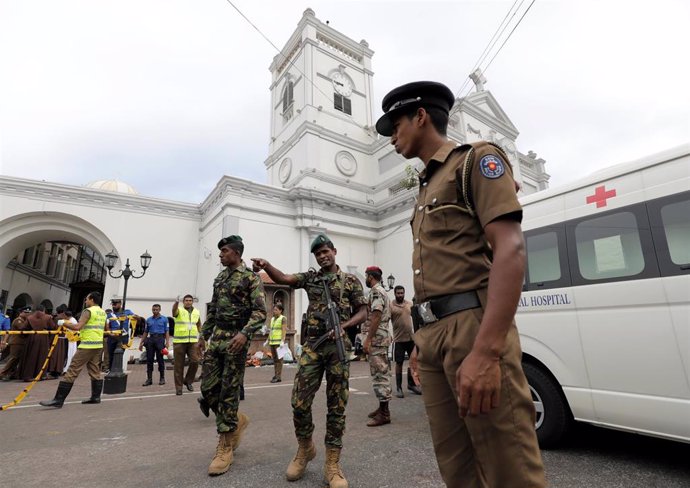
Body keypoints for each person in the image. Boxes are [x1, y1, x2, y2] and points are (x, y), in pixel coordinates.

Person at [375, 81, 546, 488]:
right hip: (433, 335)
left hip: (473, 327)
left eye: (396, 124)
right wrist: (421, 341)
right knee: (456, 465)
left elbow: (511, 249)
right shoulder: (425, 185)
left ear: (420, 116)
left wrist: (487, 353)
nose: (392, 136)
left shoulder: (476, 160)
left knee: (509, 467)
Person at [252, 233, 368, 488]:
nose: (323, 256)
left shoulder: (350, 282)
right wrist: (266, 265)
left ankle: (332, 463)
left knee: (336, 406)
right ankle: (305, 448)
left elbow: (363, 310)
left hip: (337, 348)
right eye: (318, 254)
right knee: (299, 402)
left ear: (334, 251)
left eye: (326, 251)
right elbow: (283, 279)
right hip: (313, 348)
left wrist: (344, 326)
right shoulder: (311, 278)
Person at [198, 235, 267, 476]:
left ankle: (225, 445)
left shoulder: (251, 279)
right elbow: (214, 310)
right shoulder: (220, 278)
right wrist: (202, 336)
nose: (220, 255)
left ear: (236, 253)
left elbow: (260, 313)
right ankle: (236, 420)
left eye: (224, 251)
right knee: (207, 390)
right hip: (217, 339)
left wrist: (245, 334)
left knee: (228, 392)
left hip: (236, 342)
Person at [40, 292, 107, 408]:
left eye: (86, 299)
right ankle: (96, 397)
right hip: (97, 345)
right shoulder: (102, 312)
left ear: (91, 299)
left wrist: (63, 323)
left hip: (87, 345)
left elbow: (77, 327)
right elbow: (105, 328)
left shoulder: (88, 311)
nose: (85, 301)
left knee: (72, 370)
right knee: (95, 371)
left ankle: (58, 400)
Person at [363, 266, 393, 427]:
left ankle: (385, 413)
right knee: (382, 371)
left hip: (377, 338)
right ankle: (382, 408)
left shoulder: (376, 291)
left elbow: (376, 315)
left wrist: (368, 339)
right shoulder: (382, 291)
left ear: (370, 277)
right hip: (381, 336)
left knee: (379, 374)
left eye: (366, 276)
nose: (366, 279)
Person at [389, 286, 421, 397]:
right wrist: (388, 334)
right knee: (399, 363)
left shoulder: (409, 304)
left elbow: (416, 317)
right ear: (394, 294)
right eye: (398, 293)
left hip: (411, 338)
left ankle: (411, 385)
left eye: (402, 293)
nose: (400, 295)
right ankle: (398, 388)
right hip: (399, 340)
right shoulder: (391, 306)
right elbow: (385, 320)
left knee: (413, 362)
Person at [171, 294, 201, 395]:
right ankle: (179, 388)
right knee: (179, 366)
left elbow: (198, 324)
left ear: (192, 302)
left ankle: (188, 381)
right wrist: (176, 302)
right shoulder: (179, 310)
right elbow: (173, 312)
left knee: (195, 361)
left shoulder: (196, 312)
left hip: (192, 342)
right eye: (186, 300)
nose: (188, 302)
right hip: (179, 342)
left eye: (190, 300)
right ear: (183, 302)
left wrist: (201, 337)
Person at [18, 305, 55, 381]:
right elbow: (53, 327)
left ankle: (27, 376)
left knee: (30, 356)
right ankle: (41, 375)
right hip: (43, 338)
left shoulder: (30, 317)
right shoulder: (47, 317)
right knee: (42, 356)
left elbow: (23, 329)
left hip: (32, 337)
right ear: (43, 310)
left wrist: (27, 335)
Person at [139, 304, 170, 386]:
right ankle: (149, 379)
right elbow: (145, 332)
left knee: (160, 359)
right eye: (153, 310)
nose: (155, 311)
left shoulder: (164, 319)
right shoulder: (148, 320)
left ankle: (162, 378)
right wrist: (141, 343)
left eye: (156, 309)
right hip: (151, 340)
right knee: (149, 360)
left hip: (160, 340)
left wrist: (167, 342)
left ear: (160, 310)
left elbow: (167, 331)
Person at [105, 299, 137, 372]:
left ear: (120, 304)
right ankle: (111, 371)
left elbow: (137, 318)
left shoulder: (127, 312)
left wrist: (132, 317)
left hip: (123, 337)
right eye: (113, 304)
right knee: (111, 355)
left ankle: (118, 370)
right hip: (112, 337)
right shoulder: (109, 315)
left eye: (115, 304)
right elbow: (107, 326)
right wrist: (110, 333)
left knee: (120, 355)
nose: (114, 305)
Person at [0, 306, 32, 380]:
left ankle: (11, 374)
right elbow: (23, 329)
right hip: (16, 342)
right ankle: (2, 373)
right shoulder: (18, 320)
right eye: (25, 313)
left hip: (20, 342)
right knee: (13, 358)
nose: (27, 314)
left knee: (16, 359)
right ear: (20, 313)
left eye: (28, 313)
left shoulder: (24, 320)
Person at [268, 303, 287, 383]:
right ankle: (276, 375)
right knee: (275, 360)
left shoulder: (283, 318)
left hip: (279, 343)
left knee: (279, 360)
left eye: (276, 310)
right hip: (272, 342)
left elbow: (284, 330)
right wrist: (267, 339)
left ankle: (278, 376)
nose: (274, 311)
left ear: (280, 310)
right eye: (274, 309)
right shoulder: (272, 319)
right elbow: (271, 330)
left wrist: (282, 340)